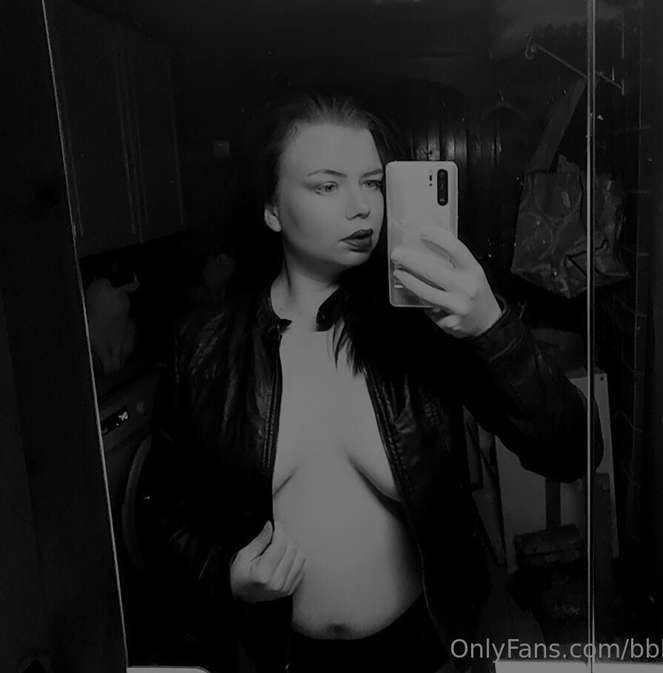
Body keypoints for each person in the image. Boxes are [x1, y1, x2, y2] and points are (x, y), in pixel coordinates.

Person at [150, 89, 601, 673]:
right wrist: (226, 577)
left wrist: (491, 327)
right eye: (327, 186)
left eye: (373, 183)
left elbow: (573, 449)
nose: (362, 207)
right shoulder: (206, 346)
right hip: (279, 660)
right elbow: (162, 511)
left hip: (424, 652)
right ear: (272, 209)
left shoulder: (425, 328)